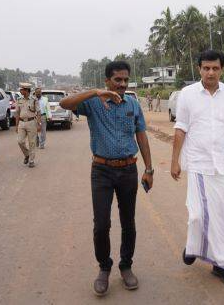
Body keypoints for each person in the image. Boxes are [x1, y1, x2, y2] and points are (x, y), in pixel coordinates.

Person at [60, 61, 154, 297]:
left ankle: (126, 266)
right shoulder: (93, 103)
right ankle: (104, 267)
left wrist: (149, 169)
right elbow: (64, 103)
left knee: (128, 221)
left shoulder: (133, 104)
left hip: (128, 170)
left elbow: (141, 136)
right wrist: (94, 92)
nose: (122, 84)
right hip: (101, 171)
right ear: (107, 81)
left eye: (125, 80)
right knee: (101, 224)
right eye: (117, 80)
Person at [170, 50, 224, 287]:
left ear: (222, 69)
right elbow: (180, 128)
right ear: (199, 69)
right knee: (197, 215)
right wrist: (175, 161)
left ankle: (221, 264)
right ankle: (194, 245)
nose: (210, 72)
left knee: (222, 217)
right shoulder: (187, 94)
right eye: (206, 68)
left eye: (215, 68)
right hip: (198, 164)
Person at [16, 83, 41, 168]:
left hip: (31, 122)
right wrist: (16, 126)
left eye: (22, 89)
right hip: (21, 123)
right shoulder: (19, 99)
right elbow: (17, 113)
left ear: (26, 90)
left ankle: (31, 160)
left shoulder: (34, 100)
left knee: (32, 142)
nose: (20, 91)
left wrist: (39, 123)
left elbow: (38, 112)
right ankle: (27, 154)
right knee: (20, 141)